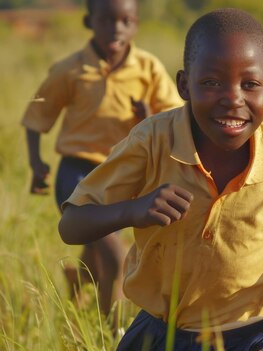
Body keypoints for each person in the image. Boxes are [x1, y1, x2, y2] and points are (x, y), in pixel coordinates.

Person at [58, 8, 263, 350]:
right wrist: (133, 210)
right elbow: (71, 224)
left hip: (262, 330)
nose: (232, 98)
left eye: (249, 84)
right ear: (184, 85)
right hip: (169, 330)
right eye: (211, 82)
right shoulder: (151, 143)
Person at [21, 0, 182, 315]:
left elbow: (175, 116)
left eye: (125, 20)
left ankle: (77, 279)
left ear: (135, 24)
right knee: (113, 257)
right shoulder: (71, 69)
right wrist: (35, 162)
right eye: (107, 20)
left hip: (122, 175)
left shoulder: (148, 68)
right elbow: (37, 112)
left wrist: (149, 115)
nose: (116, 29)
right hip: (77, 174)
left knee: (97, 253)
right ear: (88, 21)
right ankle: (111, 334)